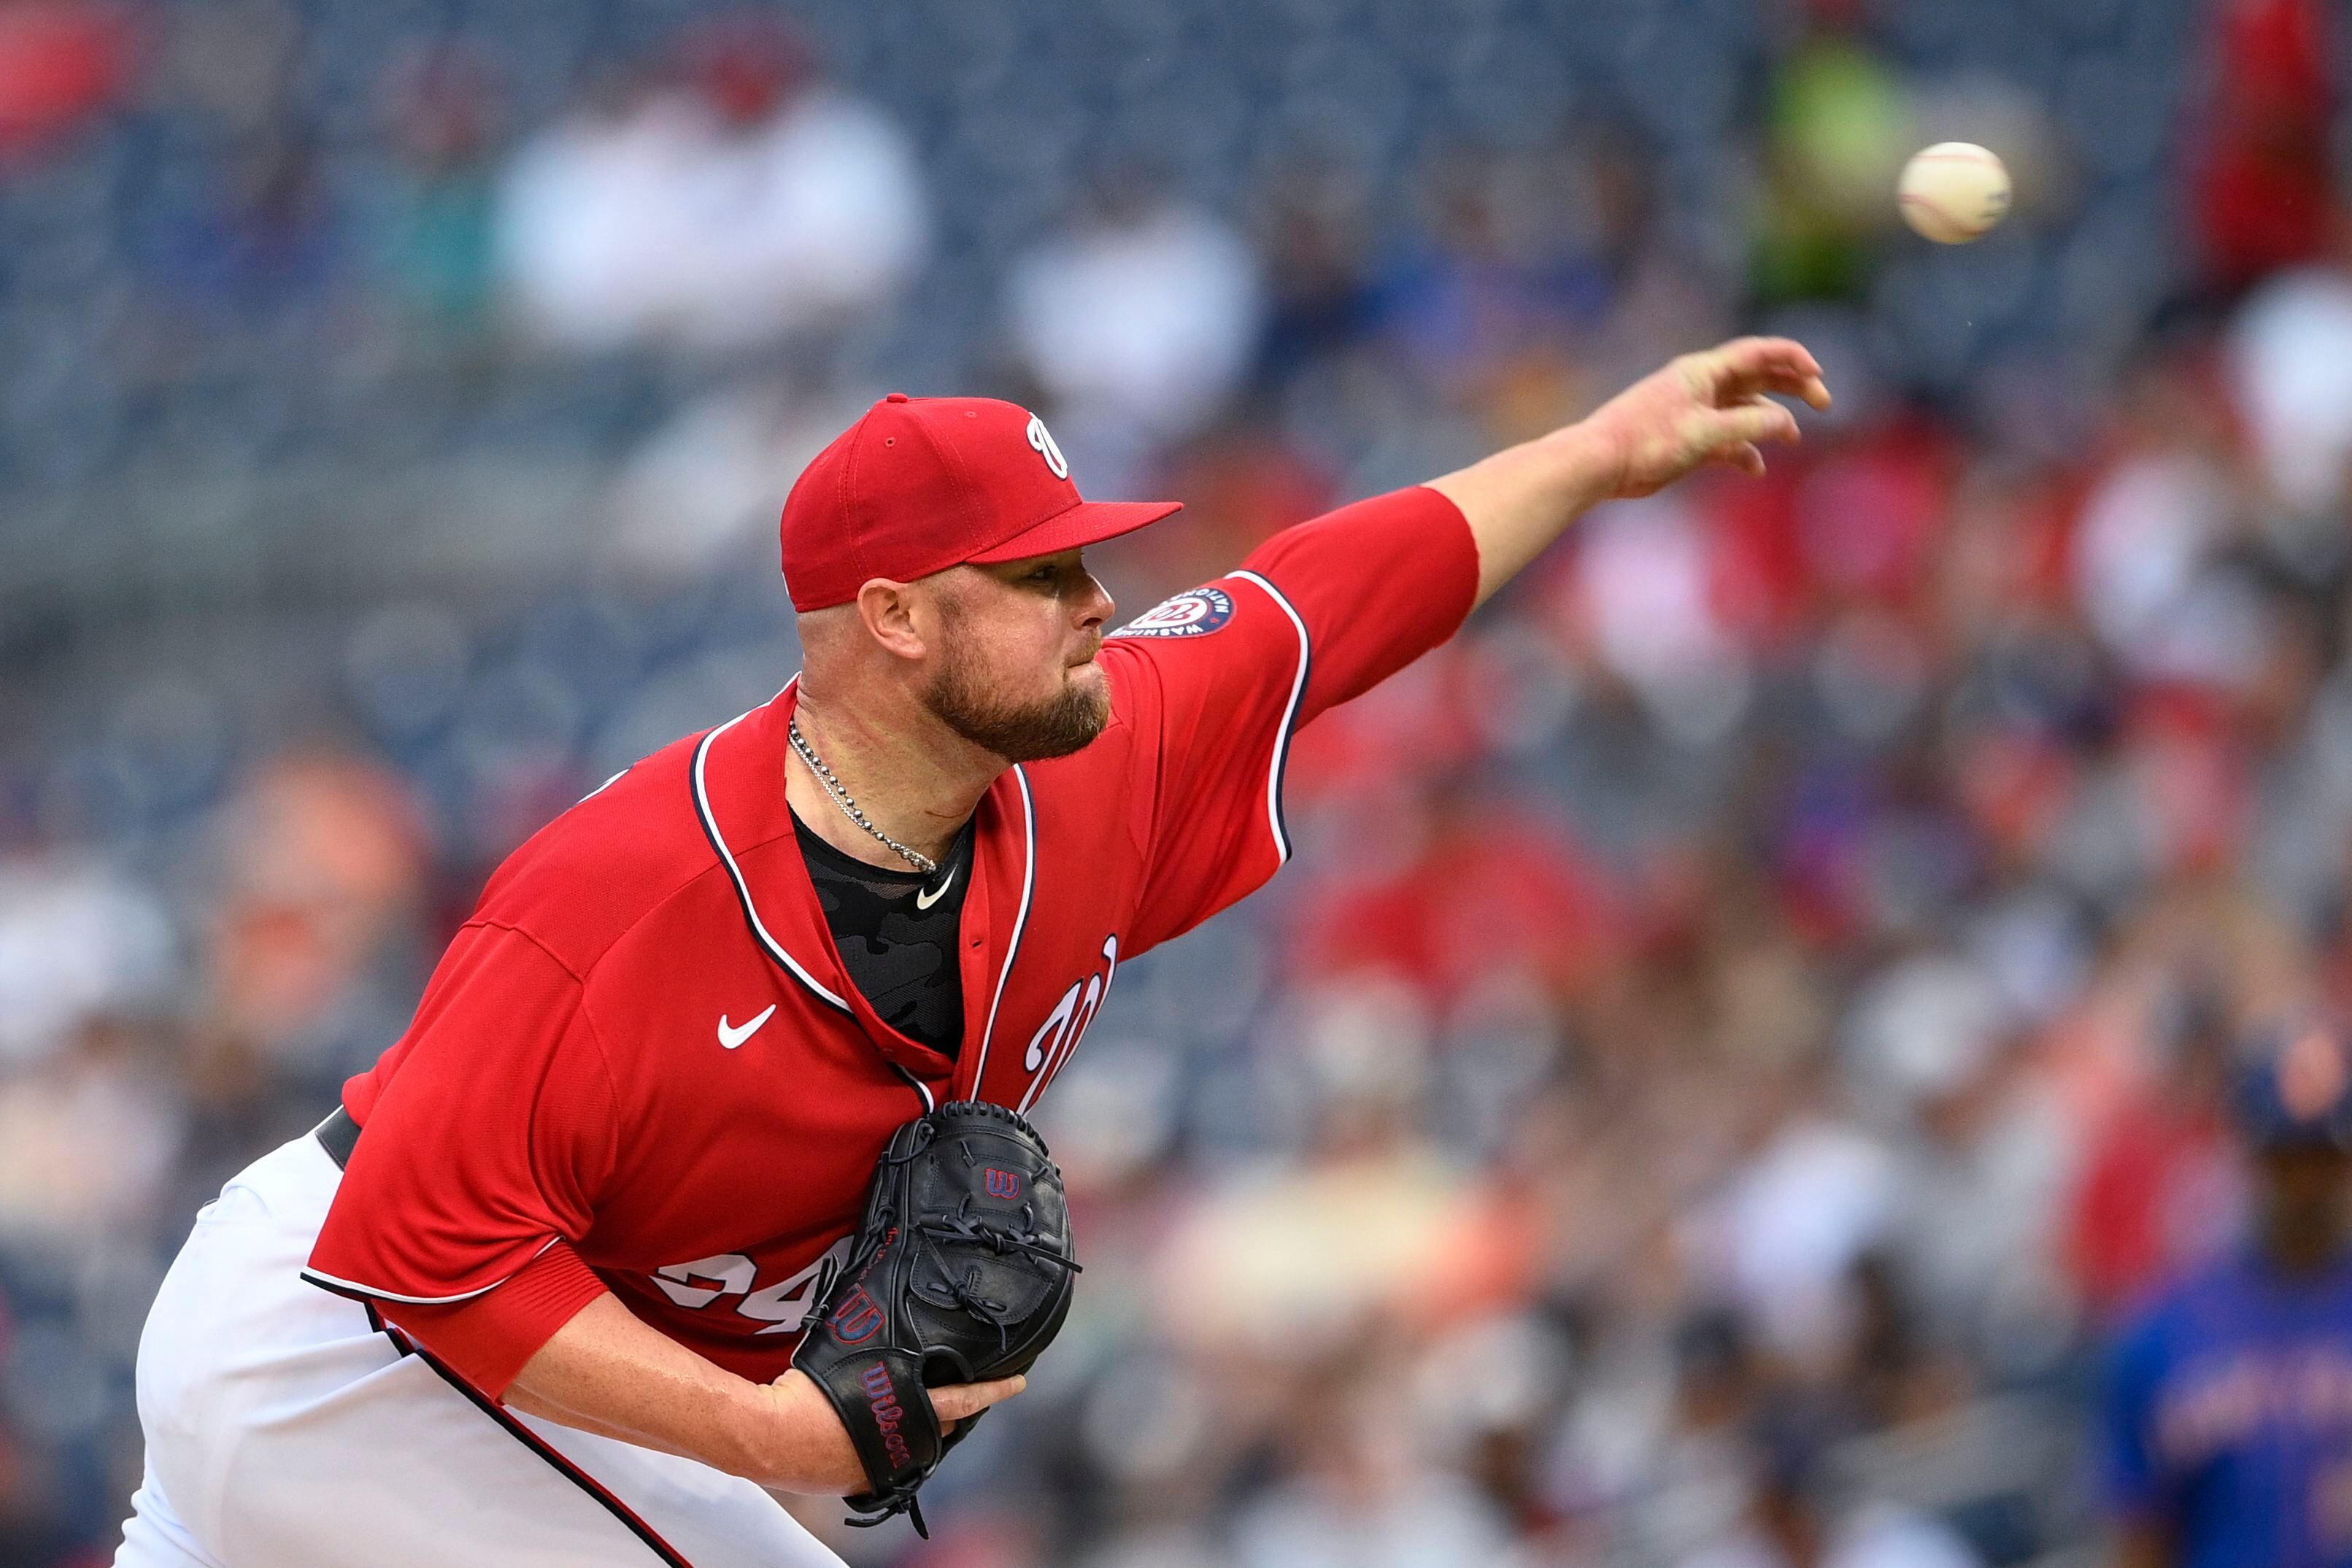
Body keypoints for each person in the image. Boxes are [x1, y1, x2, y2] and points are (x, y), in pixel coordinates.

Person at [112, 340, 1830, 1568]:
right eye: (1041, 574)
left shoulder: (1091, 763)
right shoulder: (618, 895)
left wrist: (1598, 454)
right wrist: (783, 1437)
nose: (1098, 602)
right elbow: (426, 1259)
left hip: (465, 1369)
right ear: (893, 618)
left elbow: (1329, 598)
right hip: (349, 1341)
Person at [2102, 1020, 2352, 1568]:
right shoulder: (2164, 1329)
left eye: (2323, 1158)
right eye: (2287, 1159)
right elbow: (2140, 1535)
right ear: (2246, 1156)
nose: (2306, 1185)